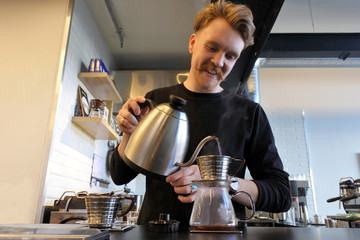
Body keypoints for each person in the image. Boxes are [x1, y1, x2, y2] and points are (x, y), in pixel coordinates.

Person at [110, 0, 291, 228]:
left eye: (230, 56)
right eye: (212, 47)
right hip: (157, 234)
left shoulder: (250, 113)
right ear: (193, 43)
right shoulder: (156, 100)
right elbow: (119, 175)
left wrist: (222, 184)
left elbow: (282, 194)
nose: (218, 62)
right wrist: (128, 133)